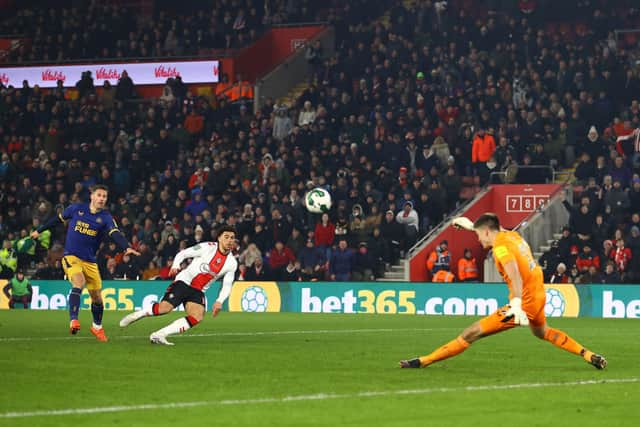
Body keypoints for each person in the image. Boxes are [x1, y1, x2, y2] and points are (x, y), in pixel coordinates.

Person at [401, 213, 607, 370]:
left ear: (488, 232)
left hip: (524, 303)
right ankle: (587, 354)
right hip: (539, 294)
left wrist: (516, 305)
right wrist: (469, 224)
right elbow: (488, 225)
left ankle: (424, 361)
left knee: (471, 333)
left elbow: (514, 273)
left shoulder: (499, 248)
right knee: (543, 332)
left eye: (480, 236)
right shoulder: (511, 235)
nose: (479, 241)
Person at [30, 185, 140, 341]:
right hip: (71, 257)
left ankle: (97, 327)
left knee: (97, 298)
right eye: (99, 195)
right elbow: (57, 219)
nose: (102, 198)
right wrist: (39, 230)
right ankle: (74, 320)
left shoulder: (106, 217)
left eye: (104, 196)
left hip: (90, 261)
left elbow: (115, 233)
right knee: (78, 283)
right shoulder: (76, 209)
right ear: (92, 196)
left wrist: (126, 247)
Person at [119, 225, 238, 345]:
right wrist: (176, 265)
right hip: (184, 281)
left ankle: (159, 335)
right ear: (219, 238)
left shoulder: (232, 263)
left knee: (197, 316)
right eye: (226, 237)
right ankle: (137, 315)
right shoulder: (207, 247)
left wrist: (219, 301)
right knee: (164, 308)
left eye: (232, 238)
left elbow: (227, 284)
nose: (229, 240)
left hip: (198, 290)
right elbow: (183, 254)